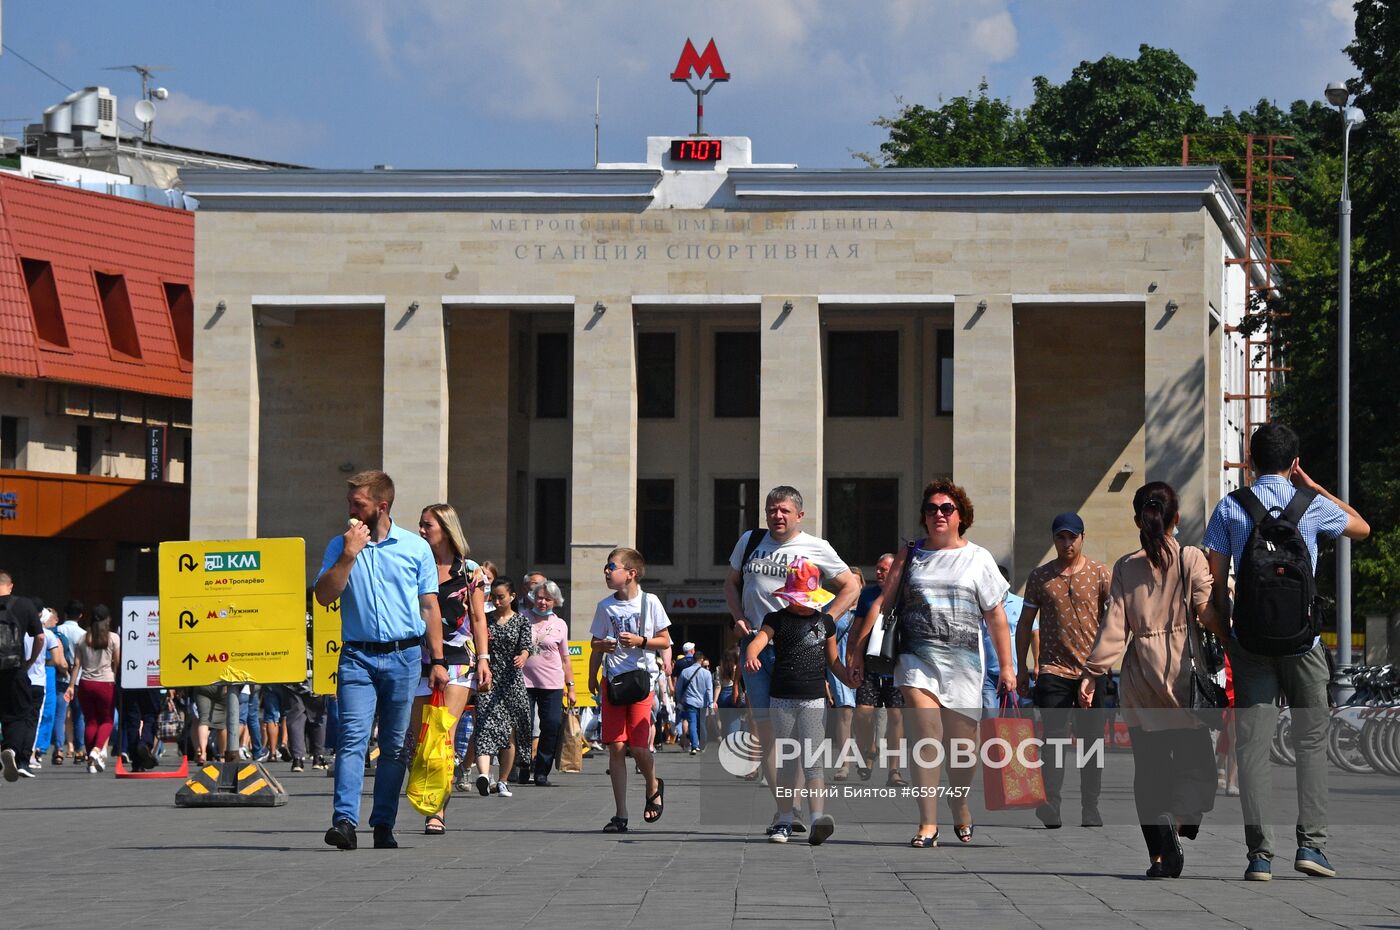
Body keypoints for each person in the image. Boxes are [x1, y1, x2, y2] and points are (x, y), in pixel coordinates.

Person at [1203, 423, 1370, 881]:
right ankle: (1311, 848)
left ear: (1250, 459)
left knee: (1253, 750)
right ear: (1294, 463)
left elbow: (1216, 584)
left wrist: (1226, 635)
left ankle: (1260, 855)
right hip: (1305, 644)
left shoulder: (1230, 508)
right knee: (1311, 743)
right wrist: (1314, 486)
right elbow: (1361, 527)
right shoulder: (1312, 506)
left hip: (1251, 643)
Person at [850, 479, 1015, 848]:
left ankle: (958, 801)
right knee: (926, 735)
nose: (938, 514)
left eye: (946, 508)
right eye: (931, 509)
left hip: (965, 666)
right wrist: (858, 650)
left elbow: (997, 617)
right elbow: (884, 603)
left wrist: (1007, 668)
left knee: (963, 748)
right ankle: (927, 822)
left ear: (961, 516)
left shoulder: (979, 558)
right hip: (915, 660)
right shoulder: (910, 554)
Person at [1080, 482, 1224, 877]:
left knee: (1149, 771)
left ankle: (1159, 856)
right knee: (1198, 769)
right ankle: (1179, 821)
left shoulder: (1126, 566)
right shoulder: (1192, 558)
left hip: (1140, 680)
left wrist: (1092, 674)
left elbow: (1114, 627)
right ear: (1176, 518)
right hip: (1182, 680)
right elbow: (1205, 611)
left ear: (1137, 519)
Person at [315, 469, 452, 851]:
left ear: (382, 506)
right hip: (357, 655)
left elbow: (429, 605)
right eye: (350, 504)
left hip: (404, 655)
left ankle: (383, 823)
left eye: (358, 505)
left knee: (393, 745)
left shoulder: (414, 547)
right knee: (352, 739)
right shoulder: (340, 545)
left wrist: (438, 660)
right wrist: (347, 555)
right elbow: (324, 596)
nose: (351, 512)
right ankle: (344, 821)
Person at [724, 486, 859, 833]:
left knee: (799, 734)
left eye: (784, 510)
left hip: (798, 650)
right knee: (767, 732)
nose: (777, 516)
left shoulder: (817, 547)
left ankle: (795, 809)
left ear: (799, 515)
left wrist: (824, 622)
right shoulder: (750, 541)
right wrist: (738, 615)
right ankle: (787, 808)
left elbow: (851, 586)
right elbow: (731, 583)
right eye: (772, 510)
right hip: (757, 643)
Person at [1015, 512, 1112, 829]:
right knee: (1053, 740)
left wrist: (1100, 667)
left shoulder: (1100, 574)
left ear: (1083, 537)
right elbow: (1025, 624)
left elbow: (1115, 623)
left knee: (1090, 743)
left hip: (1091, 672)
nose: (1067, 543)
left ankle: (1090, 807)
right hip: (1053, 670)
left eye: (1073, 536)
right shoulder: (1040, 577)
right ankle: (1051, 805)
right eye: (1061, 537)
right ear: (1054, 539)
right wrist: (1021, 668)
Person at [746, 558, 852, 845]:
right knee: (789, 761)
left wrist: (848, 678)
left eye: (806, 599)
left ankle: (818, 818)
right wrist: (752, 654)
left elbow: (833, 661)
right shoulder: (776, 619)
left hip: (814, 698)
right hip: (781, 698)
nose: (802, 604)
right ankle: (784, 818)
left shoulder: (825, 622)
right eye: (797, 598)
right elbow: (760, 639)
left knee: (813, 761)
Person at [409, 503, 489, 833]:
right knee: (420, 739)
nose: (421, 530)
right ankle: (426, 792)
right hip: (417, 659)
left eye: (427, 525)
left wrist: (484, 659)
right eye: (420, 525)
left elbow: (478, 618)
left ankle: (437, 811)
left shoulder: (469, 571)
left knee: (443, 734)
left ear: (445, 527)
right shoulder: (414, 564)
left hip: (457, 660)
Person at [590, 547, 672, 833]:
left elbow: (664, 641)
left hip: (640, 682)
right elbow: (595, 644)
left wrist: (641, 640)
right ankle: (620, 813)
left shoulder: (650, 603)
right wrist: (594, 669)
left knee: (638, 747)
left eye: (612, 566)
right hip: (612, 681)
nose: (606, 571)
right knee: (616, 746)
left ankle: (652, 784)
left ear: (631, 574)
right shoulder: (605, 607)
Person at [473, 577, 532, 798]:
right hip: (488, 679)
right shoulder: (484, 621)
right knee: (485, 726)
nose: (496, 602)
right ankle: (484, 775)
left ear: (512, 597)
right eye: (493, 597)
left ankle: (503, 780)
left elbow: (526, 645)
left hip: (512, 682)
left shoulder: (521, 621)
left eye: (501, 597)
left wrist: (523, 656)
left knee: (509, 732)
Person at [852, 553, 905, 785]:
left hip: (897, 666)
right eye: (878, 568)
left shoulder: (906, 596)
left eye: (885, 568)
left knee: (896, 716)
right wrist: (852, 659)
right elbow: (855, 631)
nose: (879, 572)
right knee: (863, 713)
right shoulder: (867, 596)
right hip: (870, 665)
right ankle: (869, 749)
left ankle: (894, 771)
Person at [522, 580, 574, 785]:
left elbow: (565, 658)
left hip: (552, 682)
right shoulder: (522, 619)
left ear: (555, 601)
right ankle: (523, 766)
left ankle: (542, 770)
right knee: (523, 725)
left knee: (551, 725)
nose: (543, 602)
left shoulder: (560, 624)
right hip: (524, 681)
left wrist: (571, 686)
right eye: (540, 597)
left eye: (548, 599)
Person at [0, 571, 43, 782]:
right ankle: (10, 748)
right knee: (18, 714)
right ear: (10, 585)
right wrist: (30, 661)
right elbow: (40, 637)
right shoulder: (24, 605)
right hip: (15, 668)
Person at [68, 604, 119, 774]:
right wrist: (115, 676)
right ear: (108, 620)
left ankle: (91, 761)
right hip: (106, 682)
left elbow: (76, 664)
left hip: (85, 684)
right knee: (107, 720)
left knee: (90, 720)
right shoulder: (113, 638)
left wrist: (71, 685)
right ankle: (97, 750)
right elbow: (116, 661)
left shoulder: (82, 639)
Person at [827, 569, 859, 781]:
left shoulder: (869, 610)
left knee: (865, 715)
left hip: (864, 666)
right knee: (845, 713)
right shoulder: (833, 609)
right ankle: (845, 763)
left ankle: (868, 751)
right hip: (839, 665)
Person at [676, 650, 714, 754]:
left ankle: (694, 746)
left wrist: (679, 700)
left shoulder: (685, 671)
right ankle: (703, 744)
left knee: (692, 723)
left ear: (693, 659)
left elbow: (678, 688)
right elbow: (709, 689)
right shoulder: (707, 673)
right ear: (702, 660)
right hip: (703, 702)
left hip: (689, 701)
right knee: (702, 724)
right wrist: (710, 703)